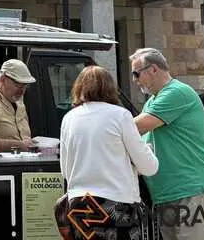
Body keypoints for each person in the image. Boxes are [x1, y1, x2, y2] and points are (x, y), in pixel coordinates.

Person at [130, 48, 204, 240]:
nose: (134, 80)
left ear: (153, 69)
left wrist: (102, 124)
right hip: (169, 193)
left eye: (136, 73)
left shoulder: (177, 92)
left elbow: (136, 127)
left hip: (192, 190)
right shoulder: (152, 102)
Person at [57, 66, 159, 240]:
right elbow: (149, 167)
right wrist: (147, 150)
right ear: (110, 88)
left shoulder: (69, 118)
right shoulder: (120, 116)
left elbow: (65, 171)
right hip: (117, 204)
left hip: (80, 204)